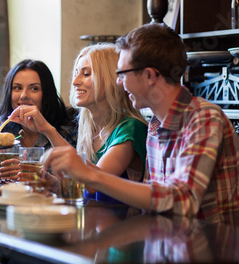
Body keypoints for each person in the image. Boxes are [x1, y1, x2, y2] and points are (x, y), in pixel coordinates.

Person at [42, 23, 239, 223]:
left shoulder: (204, 118)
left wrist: (91, 176)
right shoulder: (154, 126)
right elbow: (149, 207)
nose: (118, 82)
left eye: (123, 74)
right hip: (165, 247)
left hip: (209, 250)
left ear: (149, 76)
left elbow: (182, 201)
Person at [10, 45, 147, 202]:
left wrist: (47, 129)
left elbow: (94, 182)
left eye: (86, 74)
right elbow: (83, 192)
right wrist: (53, 184)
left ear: (110, 79)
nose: (75, 82)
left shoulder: (130, 128)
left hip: (125, 226)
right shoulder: (89, 129)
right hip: (94, 224)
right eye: (76, 73)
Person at [0, 59, 77, 179]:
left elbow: (78, 177)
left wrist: (47, 129)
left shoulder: (68, 129)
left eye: (34, 89)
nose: (24, 95)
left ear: (46, 96)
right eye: (17, 88)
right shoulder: (3, 129)